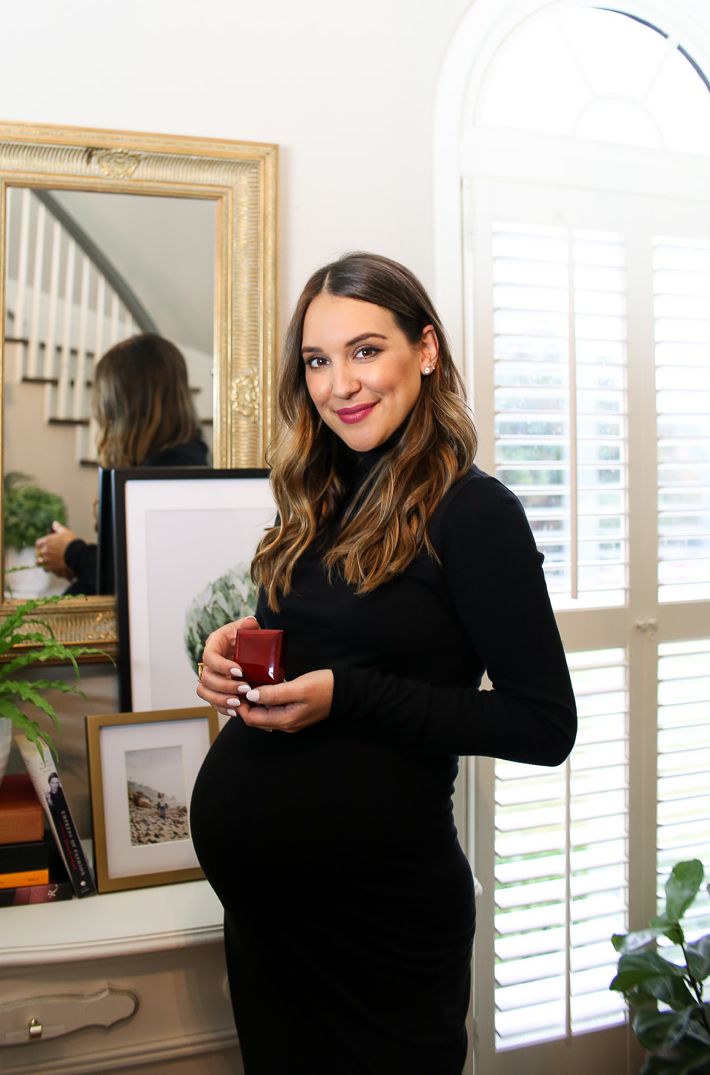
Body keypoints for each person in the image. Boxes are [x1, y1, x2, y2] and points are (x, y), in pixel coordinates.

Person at [189, 252, 577, 1074]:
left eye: (366, 350)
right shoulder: (319, 496)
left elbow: (544, 724)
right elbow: (313, 638)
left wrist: (350, 695)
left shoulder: (476, 515)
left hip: (380, 928)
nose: (340, 385)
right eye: (318, 361)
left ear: (426, 350)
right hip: (272, 930)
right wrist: (234, 648)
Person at [35, 333, 209, 594]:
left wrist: (74, 553)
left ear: (122, 408)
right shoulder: (183, 463)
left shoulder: (164, 479)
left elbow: (138, 574)